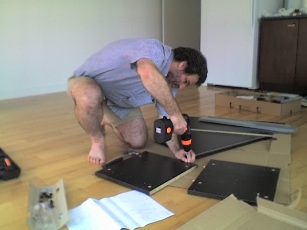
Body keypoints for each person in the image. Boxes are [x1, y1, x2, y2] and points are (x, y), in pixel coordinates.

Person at [67, 38, 207, 165]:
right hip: (87, 82)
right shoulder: (154, 49)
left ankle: (103, 115)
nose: (182, 87)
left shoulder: (171, 83)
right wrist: (176, 115)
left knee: (138, 141)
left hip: (117, 101)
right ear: (182, 65)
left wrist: (177, 150)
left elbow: (166, 119)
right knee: (88, 95)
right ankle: (97, 141)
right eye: (186, 81)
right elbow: (147, 73)